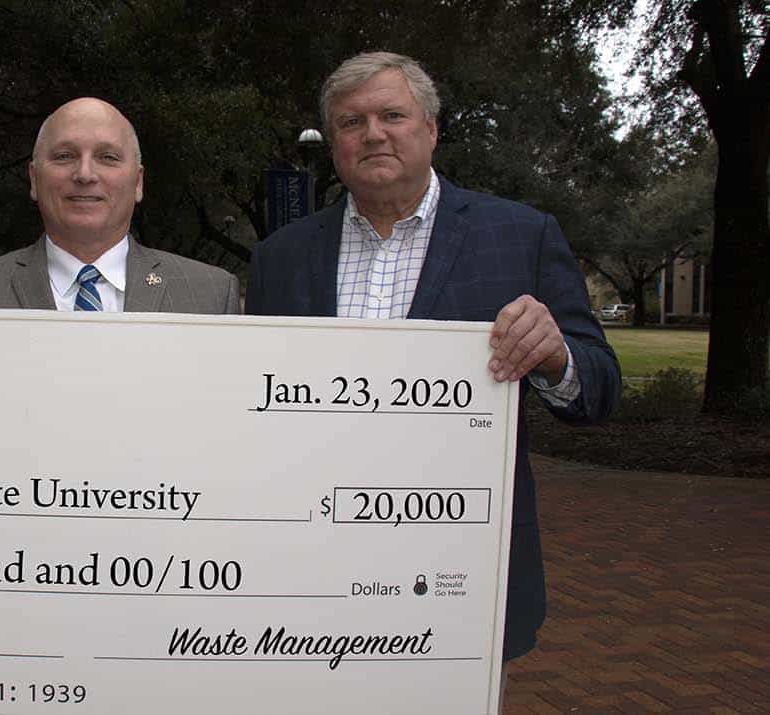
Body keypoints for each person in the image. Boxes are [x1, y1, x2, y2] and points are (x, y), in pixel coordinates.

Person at [246, 52, 621, 666]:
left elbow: (601, 390)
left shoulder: (521, 237)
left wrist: (555, 358)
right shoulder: (280, 258)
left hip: (462, 570)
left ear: (431, 129)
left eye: (392, 114)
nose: (373, 133)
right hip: (310, 567)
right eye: (350, 122)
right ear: (334, 143)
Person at [0, 97, 239, 313]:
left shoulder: (211, 295)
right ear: (34, 179)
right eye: (64, 155)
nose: (85, 174)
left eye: (108, 157)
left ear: (138, 182)